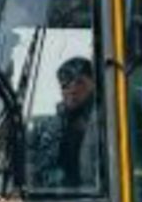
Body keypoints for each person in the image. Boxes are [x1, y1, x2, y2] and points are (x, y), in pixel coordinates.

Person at [41, 54, 100, 189]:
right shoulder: (53, 127)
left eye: (80, 82)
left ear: (94, 83)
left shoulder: (108, 120)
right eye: (65, 85)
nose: (72, 90)